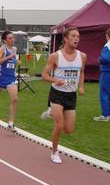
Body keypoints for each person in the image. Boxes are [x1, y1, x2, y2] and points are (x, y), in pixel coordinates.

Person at [41, 27, 86, 164]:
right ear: (66, 38)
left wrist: (81, 86)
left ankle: (50, 112)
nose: (76, 39)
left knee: (68, 129)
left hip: (71, 95)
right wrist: (55, 80)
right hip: (57, 94)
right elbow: (44, 75)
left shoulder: (82, 56)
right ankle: (54, 152)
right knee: (59, 125)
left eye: (78, 36)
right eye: (73, 36)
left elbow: (82, 72)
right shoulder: (55, 56)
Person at [93, 28, 110, 122]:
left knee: (104, 93)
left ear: (107, 36)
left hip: (107, 71)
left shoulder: (108, 45)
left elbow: (106, 58)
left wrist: (100, 59)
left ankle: (105, 115)